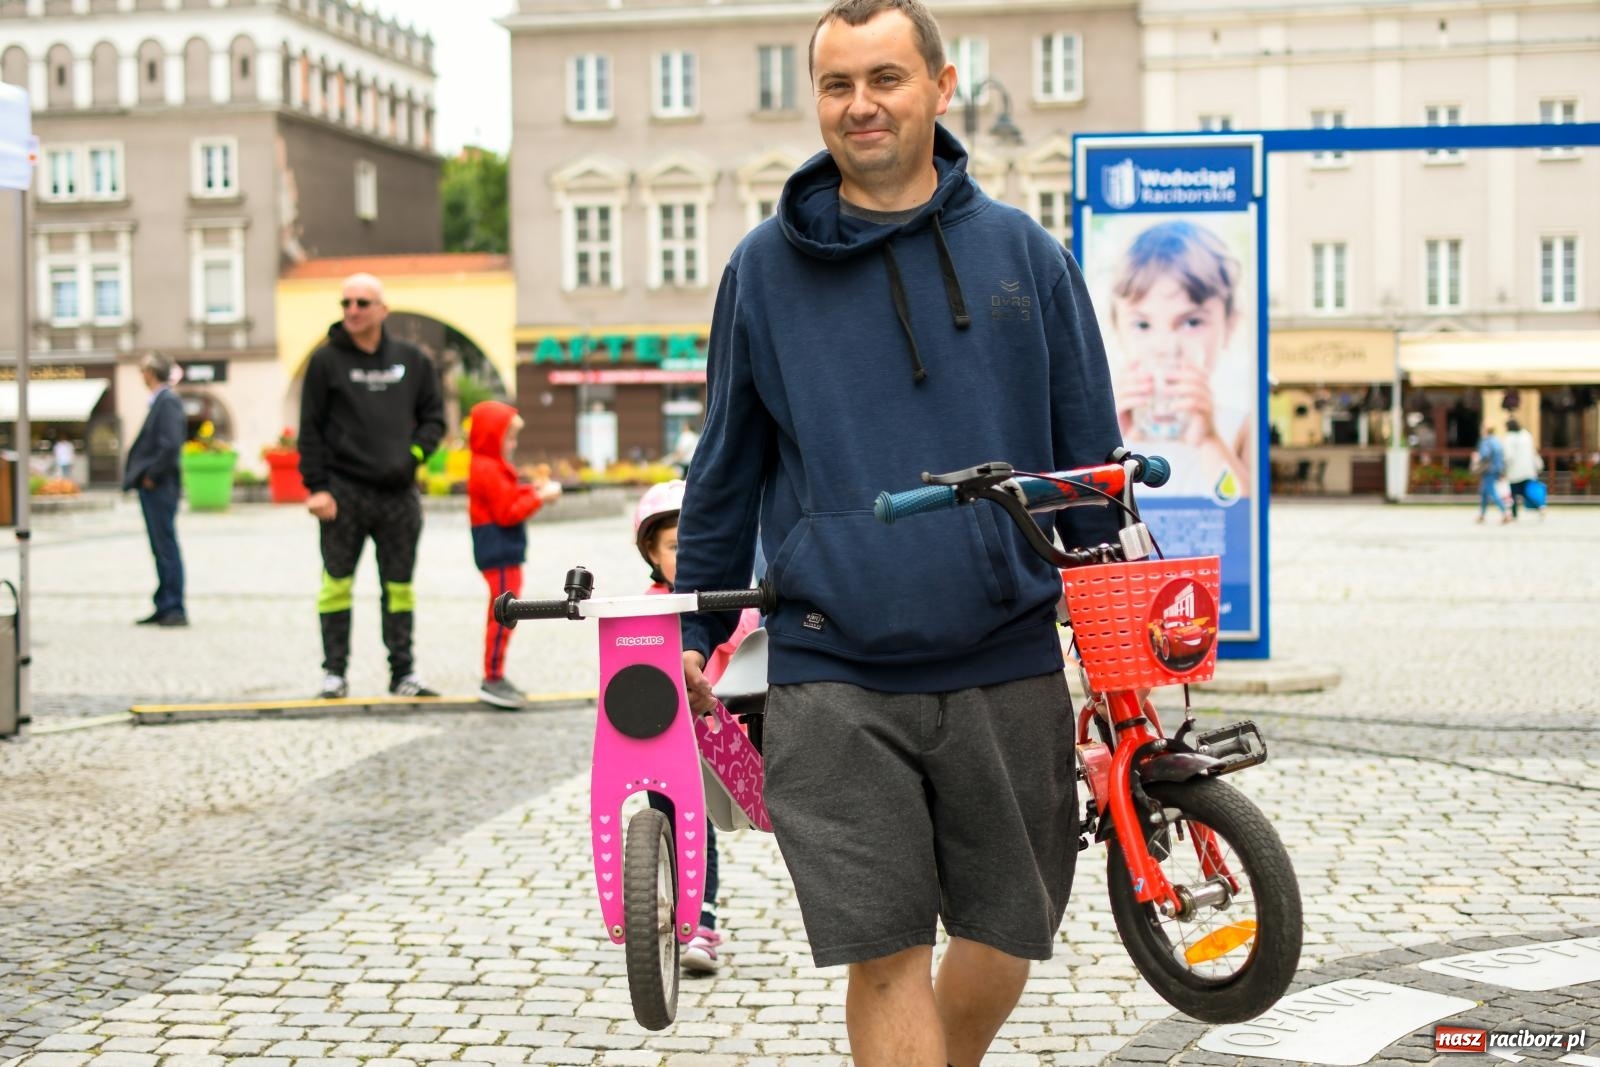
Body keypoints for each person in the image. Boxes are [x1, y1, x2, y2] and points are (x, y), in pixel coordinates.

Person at [669, 1, 1123, 1062]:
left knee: (1004, 935)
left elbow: (1090, 470)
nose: (860, 105)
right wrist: (695, 625)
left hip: (1003, 653)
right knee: (882, 954)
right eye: (837, 85)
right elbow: (725, 464)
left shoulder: (1026, 255)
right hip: (831, 661)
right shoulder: (762, 271)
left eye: (884, 79)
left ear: (940, 87)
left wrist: (1108, 644)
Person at [298, 272, 445, 699]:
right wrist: (317, 487)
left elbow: (434, 419)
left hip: (398, 495)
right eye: (345, 304)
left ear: (383, 309)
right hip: (343, 495)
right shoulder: (325, 362)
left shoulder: (412, 360)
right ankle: (334, 674)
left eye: (362, 303)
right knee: (336, 585)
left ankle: (403, 673)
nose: (353, 311)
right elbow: (310, 429)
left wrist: (413, 456)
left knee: (399, 588)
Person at [634, 479, 759, 975]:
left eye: (693, 545)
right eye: (672, 546)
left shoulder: (723, 604)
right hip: (655, 736)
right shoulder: (643, 604)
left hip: (706, 739)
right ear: (651, 552)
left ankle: (701, 919)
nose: (684, 557)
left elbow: (744, 633)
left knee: (697, 824)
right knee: (659, 817)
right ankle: (660, 900)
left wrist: (710, 625)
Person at [1106, 219, 1251, 499]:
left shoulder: (1237, 424)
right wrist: (1110, 438)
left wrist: (1209, 439)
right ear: (1117, 329)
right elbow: (1086, 513)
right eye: (1143, 325)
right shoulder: (1111, 421)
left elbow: (1241, 513)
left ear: (1230, 325)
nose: (1165, 348)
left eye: (1192, 322)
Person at [467, 400, 561, 710]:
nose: (513, 443)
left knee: (504, 611)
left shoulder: (487, 464)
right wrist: (540, 498)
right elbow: (508, 513)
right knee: (504, 612)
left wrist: (531, 490)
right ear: (493, 436)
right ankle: (493, 677)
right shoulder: (488, 467)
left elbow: (507, 497)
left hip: (499, 549)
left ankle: (495, 675)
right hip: (500, 550)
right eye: (509, 437)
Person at [122, 351, 188, 627]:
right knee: (161, 546)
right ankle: (165, 603)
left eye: (142, 370)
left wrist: (151, 475)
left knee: (165, 546)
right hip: (157, 485)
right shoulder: (161, 401)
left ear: (151, 373)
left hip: (160, 486)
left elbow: (171, 444)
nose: (140, 374)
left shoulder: (167, 401)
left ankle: (173, 606)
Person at [1502, 417, 1544, 521]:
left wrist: (1504, 467)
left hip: (1515, 471)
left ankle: (1514, 514)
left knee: (1514, 493)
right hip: (1527, 470)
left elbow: (1508, 456)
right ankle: (1539, 506)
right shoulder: (1526, 435)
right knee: (1525, 492)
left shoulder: (1509, 438)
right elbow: (1532, 451)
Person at [1475, 426, 1509, 525]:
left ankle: (1505, 512)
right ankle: (1482, 514)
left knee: (1491, 491)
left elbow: (1485, 455)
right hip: (1496, 469)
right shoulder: (1497, 441)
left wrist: (1477, 457)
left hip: (1488, 470)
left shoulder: (1486, 442)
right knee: (1484, 492)